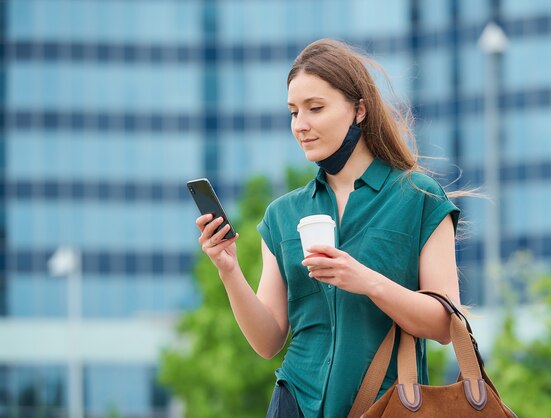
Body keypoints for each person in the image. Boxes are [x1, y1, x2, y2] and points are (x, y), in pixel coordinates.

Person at [196, 38, 461, 418]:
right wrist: (229, 269)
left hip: (385, 406)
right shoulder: (282, 214)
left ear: (359, 110)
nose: (300, 125)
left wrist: (365, 280)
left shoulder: (420, 198)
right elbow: (269, 341)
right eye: (293, 112)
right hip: (293, 405)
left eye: (315, 108)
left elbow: (443, 324)